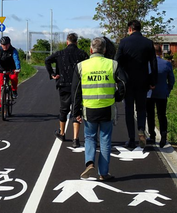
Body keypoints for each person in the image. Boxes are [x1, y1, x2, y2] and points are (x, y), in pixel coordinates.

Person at [71, 37, 127, 181]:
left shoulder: (81, 66)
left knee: (89, 137)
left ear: (91, 50)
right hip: (107, 108)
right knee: (105, 140)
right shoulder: (113, 65)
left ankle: (89, 162)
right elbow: (123, 84)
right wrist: (117, 97)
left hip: (89, 109)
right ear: (105, 50)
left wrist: (75, 112)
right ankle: (103, 173)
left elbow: (76, 91)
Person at [115, 20, 158, 148]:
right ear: (140, 29)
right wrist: (152, 81)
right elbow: (153, 63)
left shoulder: (124, 42)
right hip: (143, 81)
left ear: (129, 29)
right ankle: (140, 129)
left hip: (128, 82)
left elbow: (117, 62)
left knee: (129, 110)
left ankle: (131, 138)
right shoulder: (148, 43)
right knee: (141, 109)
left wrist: (119, 80)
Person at [45, 33, 89, 148]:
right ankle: (76, 139)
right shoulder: (82, 54)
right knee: (77, 110)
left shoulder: (60, 54)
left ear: (67, 42)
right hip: (78, 86)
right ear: (76, 42)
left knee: (63, 109)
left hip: (63, 84)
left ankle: (62, 133)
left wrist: (53, 74)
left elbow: (47, 60)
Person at [146, 44, 175, 148]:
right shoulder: (167, 64)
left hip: (150, 93)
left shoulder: (147, 64)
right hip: (162, 93)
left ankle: (152, 136)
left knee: (150, 115)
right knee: (162, 115)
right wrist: (168, 90)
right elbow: (171, 80)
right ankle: (163, 136)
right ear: (161, 52)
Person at [0, 36, 21, 113]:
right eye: (3, 45)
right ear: (1, 44)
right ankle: (0, 107)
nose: (5, 46)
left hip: (11, 69)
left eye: (6, 45)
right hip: (1, 70)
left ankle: (14, 91)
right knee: (1, 88)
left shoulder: (13, 50)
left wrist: (17, 68)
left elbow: (16, 59)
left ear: (9, 44)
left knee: (14, 78)